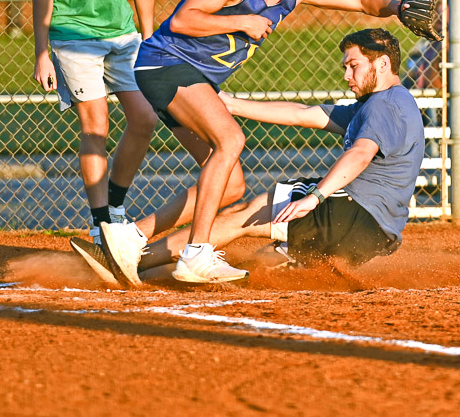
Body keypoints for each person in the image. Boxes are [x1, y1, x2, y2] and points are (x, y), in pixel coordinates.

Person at [94, 0, 403, 286]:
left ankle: (131, 237)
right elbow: (182, 20)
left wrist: (400, 8)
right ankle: (196, 254)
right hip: (165, 64)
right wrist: (243, 20)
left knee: (233, 183)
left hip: (192, 76)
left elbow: (357, 0)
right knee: (232, 139)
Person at [109, 28, 424, 284]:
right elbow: (303, 114)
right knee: (261, 264)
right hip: (373, 235)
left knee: (241, 216)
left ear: (382, 64)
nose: (346, 75)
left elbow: (360, 154)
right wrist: (230, 105)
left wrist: (315, 196)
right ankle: (291, 262)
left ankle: (133, 259)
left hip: (350, 213)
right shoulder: (381, 105)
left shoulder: (385, 104)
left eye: (353, 65)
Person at [31, 0, 162, 248]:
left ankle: (117, 210)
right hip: (74, 35)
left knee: (144, 119)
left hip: (122, 34)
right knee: (97, 125)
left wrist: (150, 37)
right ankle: (101, 222)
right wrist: (42, 52)